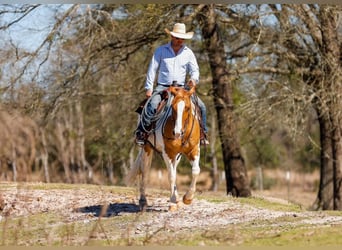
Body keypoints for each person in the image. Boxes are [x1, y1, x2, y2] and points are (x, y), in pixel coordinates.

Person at [135, 23, 209, 146]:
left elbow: (195, 70)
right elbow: (152, 69)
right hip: (163, 87)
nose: (180, 40)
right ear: (172, 37)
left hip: (182, 88)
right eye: (177, 38)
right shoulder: (161, 50)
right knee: (152, 104)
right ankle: (142, 133)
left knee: (201, 107)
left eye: (182, 38)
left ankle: (202, 134)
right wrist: (149, 88)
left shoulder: (188, 53)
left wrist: (193, 80)